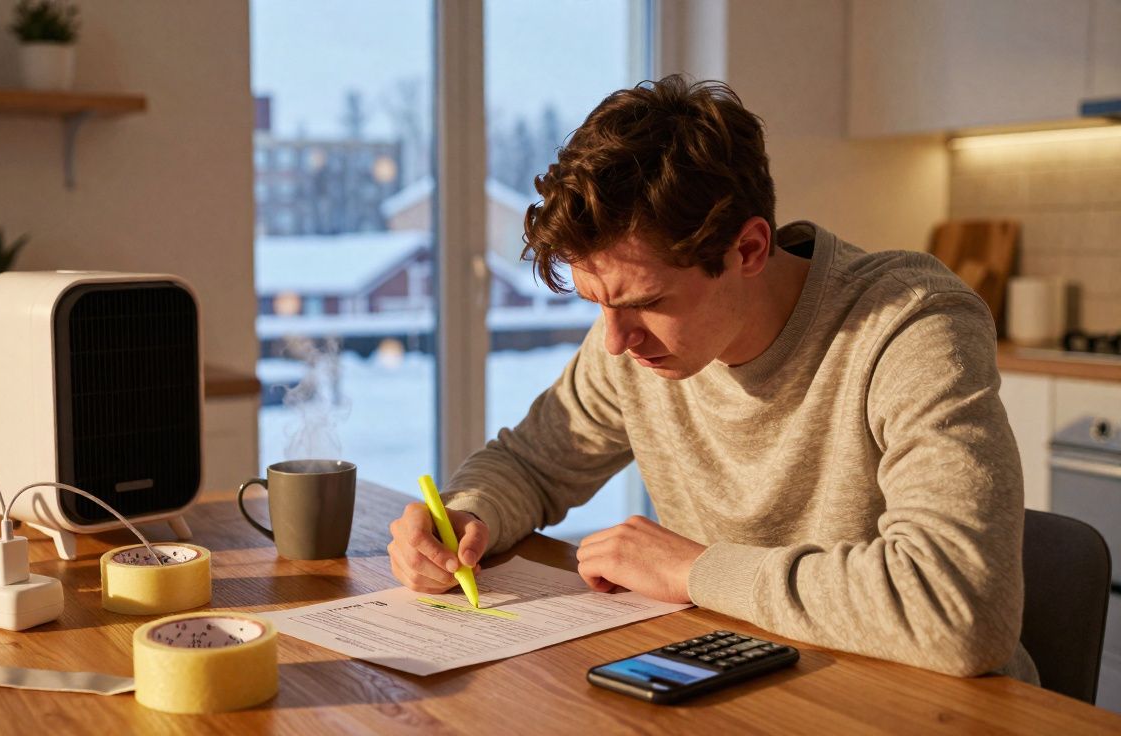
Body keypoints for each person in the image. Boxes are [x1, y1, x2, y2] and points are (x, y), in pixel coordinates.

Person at [384, 75, 1037, 682]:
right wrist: (467, 515)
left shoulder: (909, 325)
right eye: (596, 302)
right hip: (747, 684)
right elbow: (529, 464)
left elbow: (961, 608)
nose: (614, 339)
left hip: (916, 702)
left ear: (748, 249)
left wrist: (695, 570)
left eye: (647, 302)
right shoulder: (630, 344)